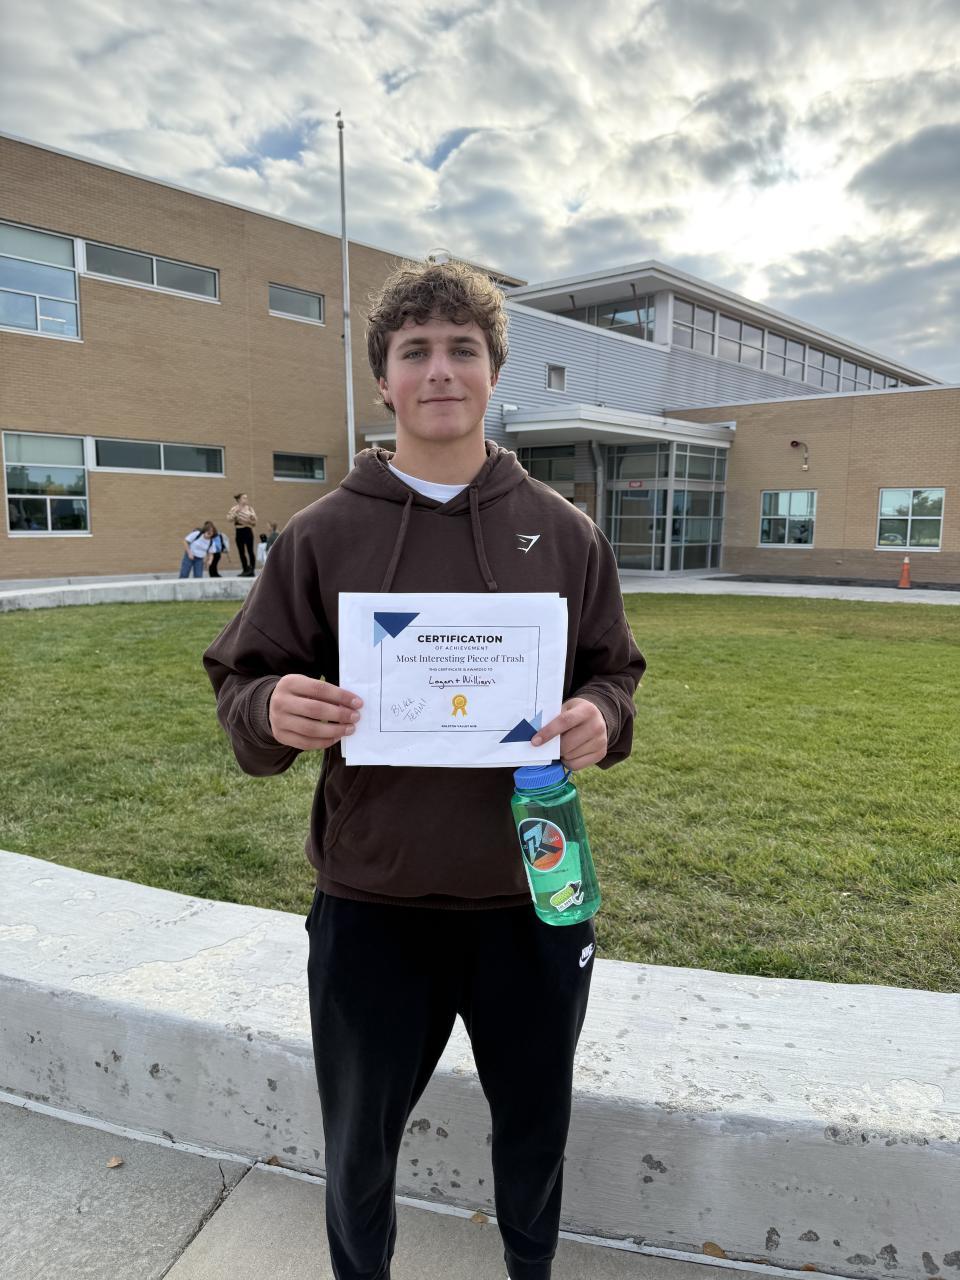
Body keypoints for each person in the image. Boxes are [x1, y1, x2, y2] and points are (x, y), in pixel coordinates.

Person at [203, 260, 645, 1280]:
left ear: (494, 373)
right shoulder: (322, 535)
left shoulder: (565, 532)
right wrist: (271, 708)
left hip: (533, 895)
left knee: (534, 1133)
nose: (440, 369)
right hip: (374, 902)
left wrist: (600, 717)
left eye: (462, 349)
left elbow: (615, 671)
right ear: (385, 380)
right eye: (416, 351)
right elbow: (242, 682)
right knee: (359, 1149)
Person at [226, 492, 257, 576]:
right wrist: (235, 513)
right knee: (241, 551)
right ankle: (245, 569)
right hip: (239, 531)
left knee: (250, 551)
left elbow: (254, 522)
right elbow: (229, 519)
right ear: (239, 499)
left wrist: (248, 521)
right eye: (244, 498)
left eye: (246, 498)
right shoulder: (234, 508)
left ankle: (252, 570)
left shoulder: (250, 509)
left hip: (247, 530)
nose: (246, 499)